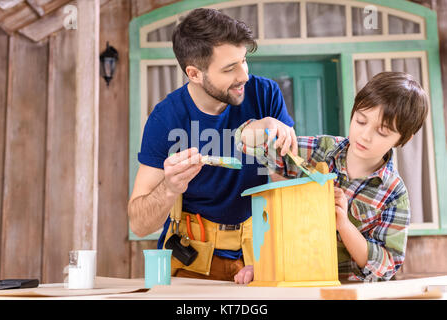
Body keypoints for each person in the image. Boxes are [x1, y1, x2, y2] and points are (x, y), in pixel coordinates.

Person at [128, 8, 294, 282]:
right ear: (194, 73)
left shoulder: (266, 94)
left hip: (261, 255)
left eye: (243, 61)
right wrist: (170, 187)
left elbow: (289, 186)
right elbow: (139, 223)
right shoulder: (166, 119)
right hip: (192, 261)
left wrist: (277, 142)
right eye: (229, 68)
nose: (243, 76)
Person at [233, 72, 429, 283]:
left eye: (382, 132)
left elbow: (385, 267)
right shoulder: (319, 150)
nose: (365, 135)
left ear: (403, 138)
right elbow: (243, 142)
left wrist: (344, 225)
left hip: (347, 289)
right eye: (361, 121)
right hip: (291, 279)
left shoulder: (393, 194)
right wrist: (265, 125)